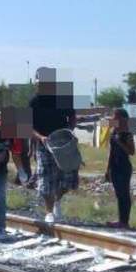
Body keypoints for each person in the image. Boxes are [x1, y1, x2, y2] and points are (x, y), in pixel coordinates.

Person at [28, 67, 79, 223]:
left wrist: (70, 131)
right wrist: (40, 137)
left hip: (64, 143)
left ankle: (57, 200)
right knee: (45, 179)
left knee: (69, 180)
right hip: (44, 145)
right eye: (39, 83)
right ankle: (49, 211)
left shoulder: (62, 98)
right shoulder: (33, 102)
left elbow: (72, 117)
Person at [104, 108, 135, 228]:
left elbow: (132, 152)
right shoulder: (113, 133)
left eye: (115, 117)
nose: (113, 119)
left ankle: (124, 222)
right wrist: (107, 169)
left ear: (122, 119)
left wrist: (120, 143)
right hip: (114, 167)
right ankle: (120, 220)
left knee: (124, 194)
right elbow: (111, 152)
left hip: (124, 167)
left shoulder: (127, 134)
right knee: (119, 194)